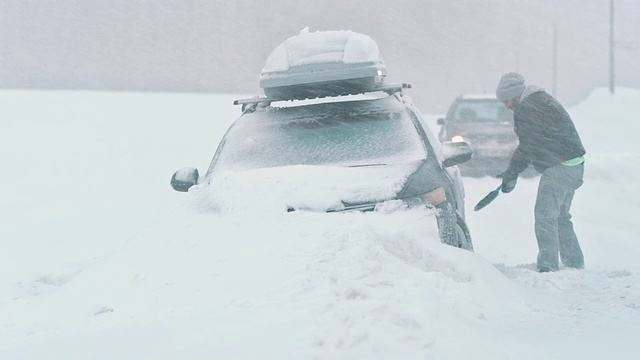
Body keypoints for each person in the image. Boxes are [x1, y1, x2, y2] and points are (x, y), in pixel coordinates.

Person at [495, 72, 586, 272]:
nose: (507, 106)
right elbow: (534, 142)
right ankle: (574, 263)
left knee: (545, 216)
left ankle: (548, 268)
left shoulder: (529, 107)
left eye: (508, 101)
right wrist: (513, 172)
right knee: (560, 216)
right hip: (575, 165)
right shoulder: (540, 100)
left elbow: (528, 144)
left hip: (561, 166)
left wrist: (511, 173)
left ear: (516, 95)